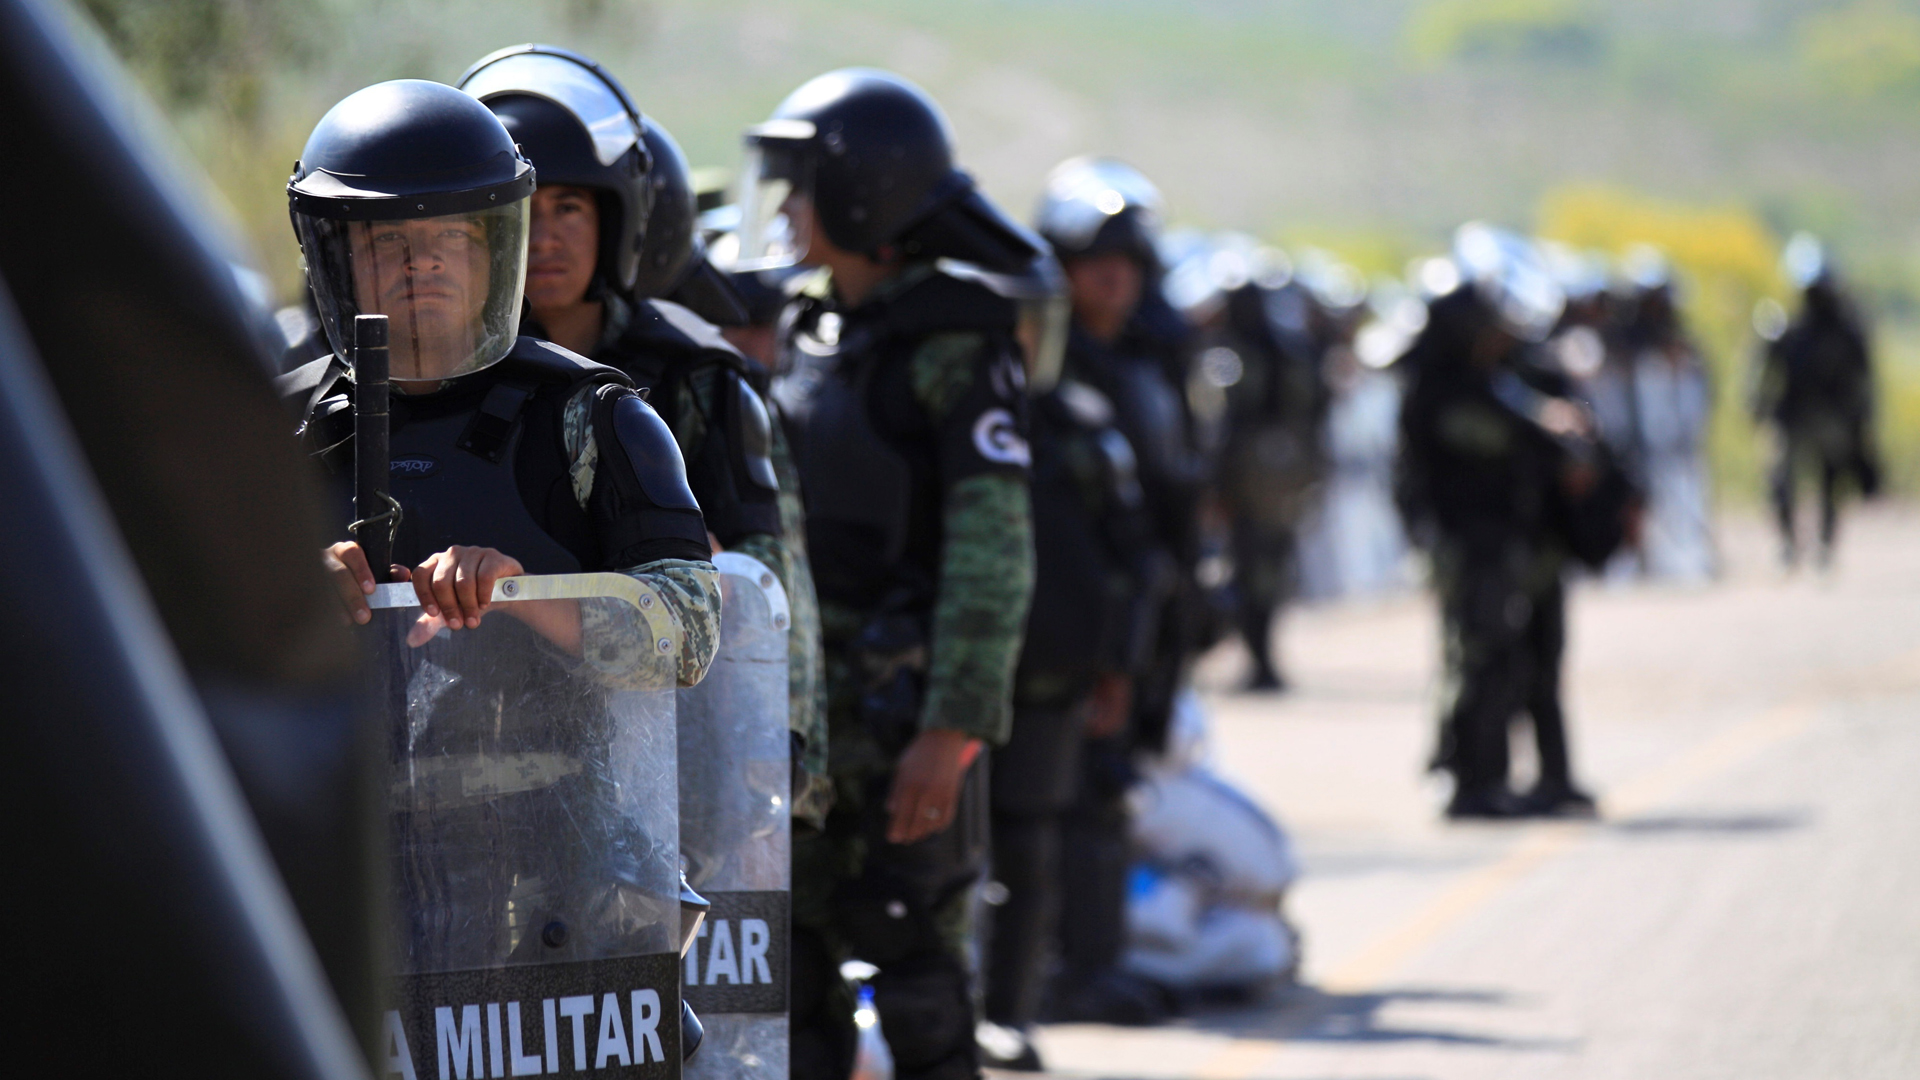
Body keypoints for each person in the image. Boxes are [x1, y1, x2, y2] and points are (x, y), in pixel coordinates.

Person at [742, 69, 1040, 1080]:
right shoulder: (808, 326)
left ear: (864, 198)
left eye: (802, 187)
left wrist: (952, 731)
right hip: (802, 730)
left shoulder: (958, 345)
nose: (784, 211)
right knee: (794, 999)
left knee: (918, 989)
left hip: (906, 728)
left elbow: (993, 553)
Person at [458, 44, 832, 827]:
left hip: (672, 755)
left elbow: (768, 585)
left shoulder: (701, 380)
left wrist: (776, 750)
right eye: (527, 209)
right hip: (485, 763)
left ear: (616, 219)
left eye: (572, 208)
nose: (548, 236)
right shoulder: (440, 380)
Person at [276, 77, 722, 687]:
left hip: (552, 782)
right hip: (342, 782)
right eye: (387, 240)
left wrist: (517, 593)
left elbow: (687, 638)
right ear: (338, 261)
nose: (422, 261)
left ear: (494, 256)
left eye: (453, 236)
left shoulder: (593, 419)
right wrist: (287, 597)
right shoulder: (278, 429)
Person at [974, 252, 1158, 1070]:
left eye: (1031, 325)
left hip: (1048, 683)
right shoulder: (940, 421)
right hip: (947, 682)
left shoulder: (1081, 426)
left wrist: (1117, 666)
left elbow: (1131, 562)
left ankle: (1009, 1012)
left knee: (1027, 848)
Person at [1033, 157, 1202, 1023]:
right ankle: (1070, 972)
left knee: (1111, 790)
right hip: (1080, 628)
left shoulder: (1153, 360)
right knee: (1080, 796)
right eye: (1096, 261)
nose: (1115, 278)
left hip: (1144, 617)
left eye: (1129, 264)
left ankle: (1095, 958)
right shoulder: (1049, 377)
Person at [1395, 225, 1623, 819]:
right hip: (1470, 545)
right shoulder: (1441, 388)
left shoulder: (1513, 376)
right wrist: (1549, 436)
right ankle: (1474, 780)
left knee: (1529, 660)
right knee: (1479, 660)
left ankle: (1545, 777)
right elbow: (1496, 436)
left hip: (1517, 543)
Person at [1756, 234, 1878, 569]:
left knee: (1830, 480)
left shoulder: (1845, 329)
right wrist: (1759, 402)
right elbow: (1767, 374)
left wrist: (1861, 422)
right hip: (1794, 415)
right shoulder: (1787, 330)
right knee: (1782, 480)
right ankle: (1788, 543)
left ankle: (1824, 543)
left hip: (1831, 417)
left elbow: (1862, 380)